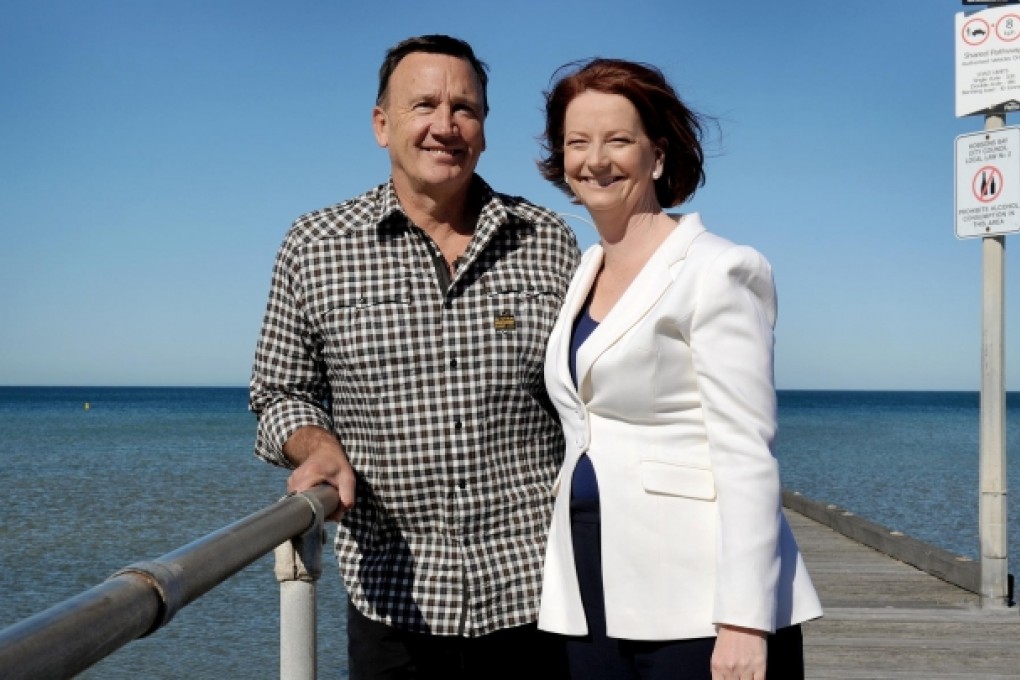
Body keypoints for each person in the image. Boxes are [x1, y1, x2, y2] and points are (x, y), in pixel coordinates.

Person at [249, 35, 580, 680]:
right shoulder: (314, 246)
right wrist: (315, 445)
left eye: (466, 108)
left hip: (537, 597)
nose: (445, 125)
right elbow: (279, 392)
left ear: (483, 130)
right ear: (382, 124)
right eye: (423, 104)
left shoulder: (547, 240)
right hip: (395, 603)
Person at [534, 58, 823, 680]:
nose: (595, 160)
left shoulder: (717, 269)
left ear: (657, 155)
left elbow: (746, 450)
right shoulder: (582, 271)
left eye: (618, 140)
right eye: (577, 142)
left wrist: (744, 619)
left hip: (698, 594)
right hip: (590, 574)